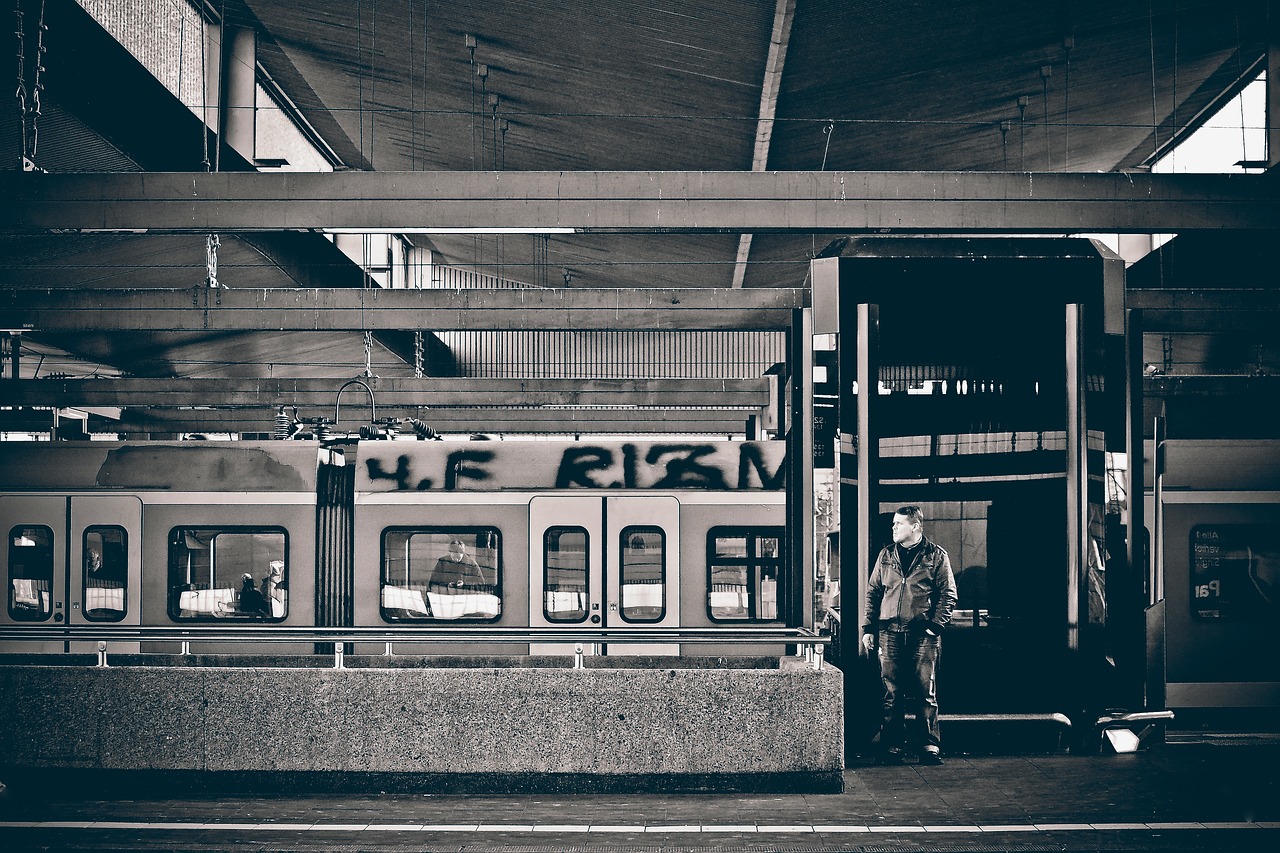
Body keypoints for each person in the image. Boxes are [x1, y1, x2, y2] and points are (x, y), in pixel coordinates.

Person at [860, 505, 957, 766]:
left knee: (926, 691)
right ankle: (892, 746)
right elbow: (873, 592)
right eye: (893, 523)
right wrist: (868, 628)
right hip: (889, 632)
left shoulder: (936, 555)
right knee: (891, 692)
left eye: (899, 524)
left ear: (915, 527)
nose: (893, 528)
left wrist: (935, 626)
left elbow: (948, 594)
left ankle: (928, 745)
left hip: (922, 635)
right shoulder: (886, 555)